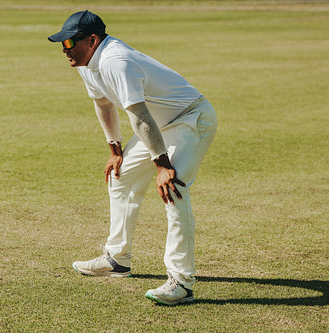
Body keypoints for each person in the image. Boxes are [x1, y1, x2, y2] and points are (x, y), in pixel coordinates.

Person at [48, 10, 217, 305]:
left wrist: (163, 166)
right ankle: (117, 260)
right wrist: (115, 150)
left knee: (173, 190)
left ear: (92, 39)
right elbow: (103, 104)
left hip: (190, 119)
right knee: (121, 176)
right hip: (159, 124)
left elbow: (138, 116)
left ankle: (182, 282)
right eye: (62, 44)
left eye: (70, 42)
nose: (65, 50)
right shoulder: (86, 62)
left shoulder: (116, 60)